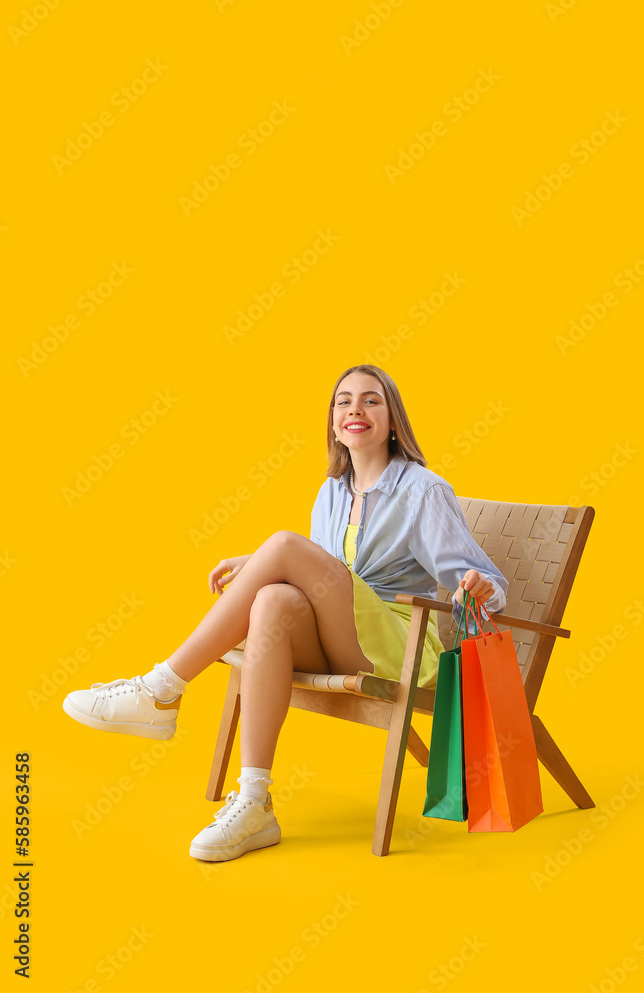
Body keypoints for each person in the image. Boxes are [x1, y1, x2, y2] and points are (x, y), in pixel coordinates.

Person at [62, 364, 508, 862]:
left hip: (396, 645)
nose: (355, 409)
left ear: (393, 419)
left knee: (281, 547)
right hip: (342, 635)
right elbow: (325, 575)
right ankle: (255, 801)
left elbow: (484, 584)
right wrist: (261, 564)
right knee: (273, 600)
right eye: (343, 401)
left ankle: (160, 690)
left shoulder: (423, 490)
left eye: (371, 400)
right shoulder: (332, 492)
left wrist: (482, 586)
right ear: (333, 420)